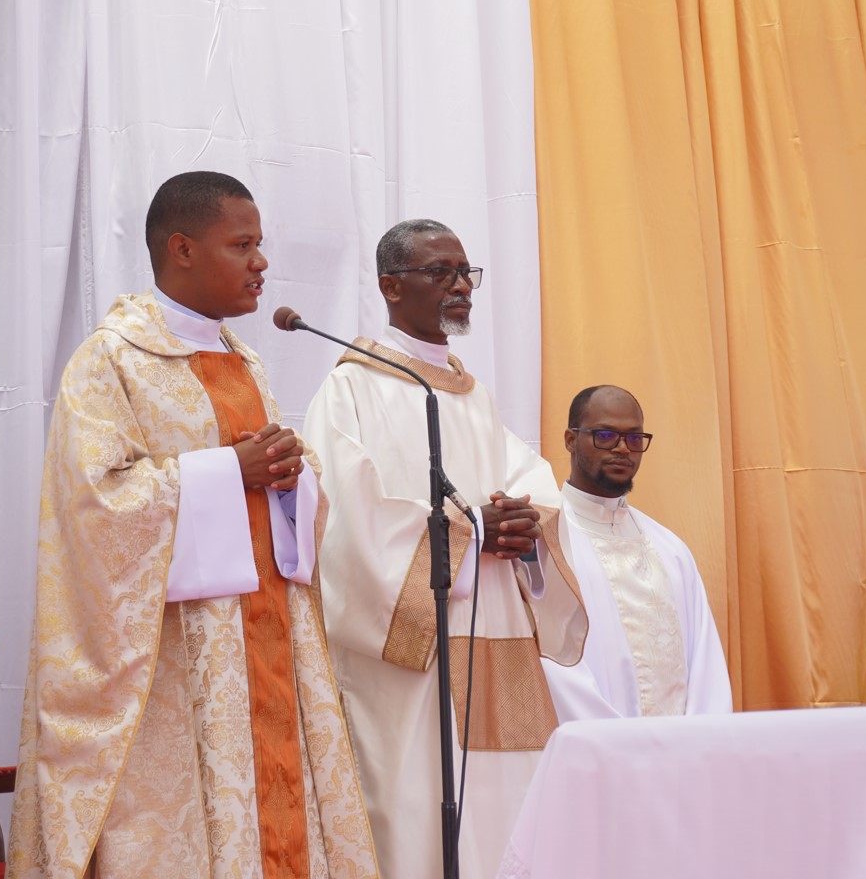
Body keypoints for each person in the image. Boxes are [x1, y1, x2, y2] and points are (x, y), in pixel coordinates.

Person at [7, 171, 378, 879]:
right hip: (178, 660)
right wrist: (225, 473)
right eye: (241, 245)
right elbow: (93, 506)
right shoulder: (111, 359)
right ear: (182, 248)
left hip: (264, 642)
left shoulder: (248, 362)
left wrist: (293, 480)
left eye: (260, 244)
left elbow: (271, 503)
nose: (261, 262)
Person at [303, 219, 588, 879]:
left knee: (509, 806)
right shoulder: (353, 389)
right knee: (417, 817)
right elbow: (342, 520)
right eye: (441, 273)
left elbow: (529, 483)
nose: (461, 287)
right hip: (413, 652)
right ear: (390, 286)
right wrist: (471, 532)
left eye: (466, 273)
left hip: (496, 640)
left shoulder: (473, 396)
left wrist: (529, 527)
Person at [541, 385, 732, 719]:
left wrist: (701, 741)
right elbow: (552, 665)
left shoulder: (669, 550)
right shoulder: (546, 543)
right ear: (571, 440)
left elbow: (705, 664)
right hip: (593, 752)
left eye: (633, 439)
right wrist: (616, 742)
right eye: (605, 435)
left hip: (678, 757)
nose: (622, 449)